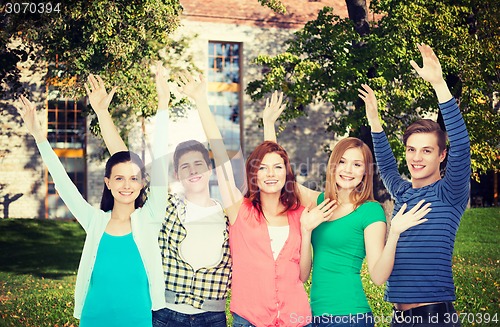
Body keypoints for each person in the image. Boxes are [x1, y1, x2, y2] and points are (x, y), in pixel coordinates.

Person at [175, 72, 337, 327]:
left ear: (287, 172)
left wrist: (306, 232)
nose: (270, 174)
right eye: (262, 168)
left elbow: (303, 276)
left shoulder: (300, 214)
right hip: (249, 319)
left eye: (278, 168)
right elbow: (220, 155)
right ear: (253, 174)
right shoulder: (240, 210)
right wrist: (201, 101)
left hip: (297, 319)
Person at [16, 66, 169, 327]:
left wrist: (163, 105)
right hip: (94, 317)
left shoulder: (150, 218)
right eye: (119, 178)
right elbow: (64, 186)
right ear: (108, 183)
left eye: (134, 178)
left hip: (137, 318)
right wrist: (40, 137)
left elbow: (163, 162)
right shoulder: (95, 221)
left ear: (143, 183)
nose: (126, 185)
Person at [263, 94, 432, 327]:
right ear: (333, 165)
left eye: (357, 164)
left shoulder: (370, 211)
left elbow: (378, 276)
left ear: (365, 172)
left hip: (351, 317)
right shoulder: (320, 202)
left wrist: (394, 234)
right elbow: (281, 178)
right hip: (314, 316)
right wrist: (269, 126)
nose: (348, 170)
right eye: (342, 162)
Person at [88, 65, 230, 327]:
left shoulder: (229, 213)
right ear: (176, 173)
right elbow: (126, 163)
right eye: (184, 166)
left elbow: (223, 153)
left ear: (209, 169)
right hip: (167, 315)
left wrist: (201, 101)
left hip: (213, 317)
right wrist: (102, 113)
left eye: (198, 163)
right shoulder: (165, 207)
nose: (192, 170)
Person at [359, 43, 470, 326]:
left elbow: (462, 143)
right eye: (411, 149)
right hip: (400, 317)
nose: (416, 158)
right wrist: (374, 120)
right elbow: (384, 164)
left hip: (434, 317)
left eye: (427, 150)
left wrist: (439, 84)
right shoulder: (404, 192)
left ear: (442, 154)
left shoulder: (450, 192)